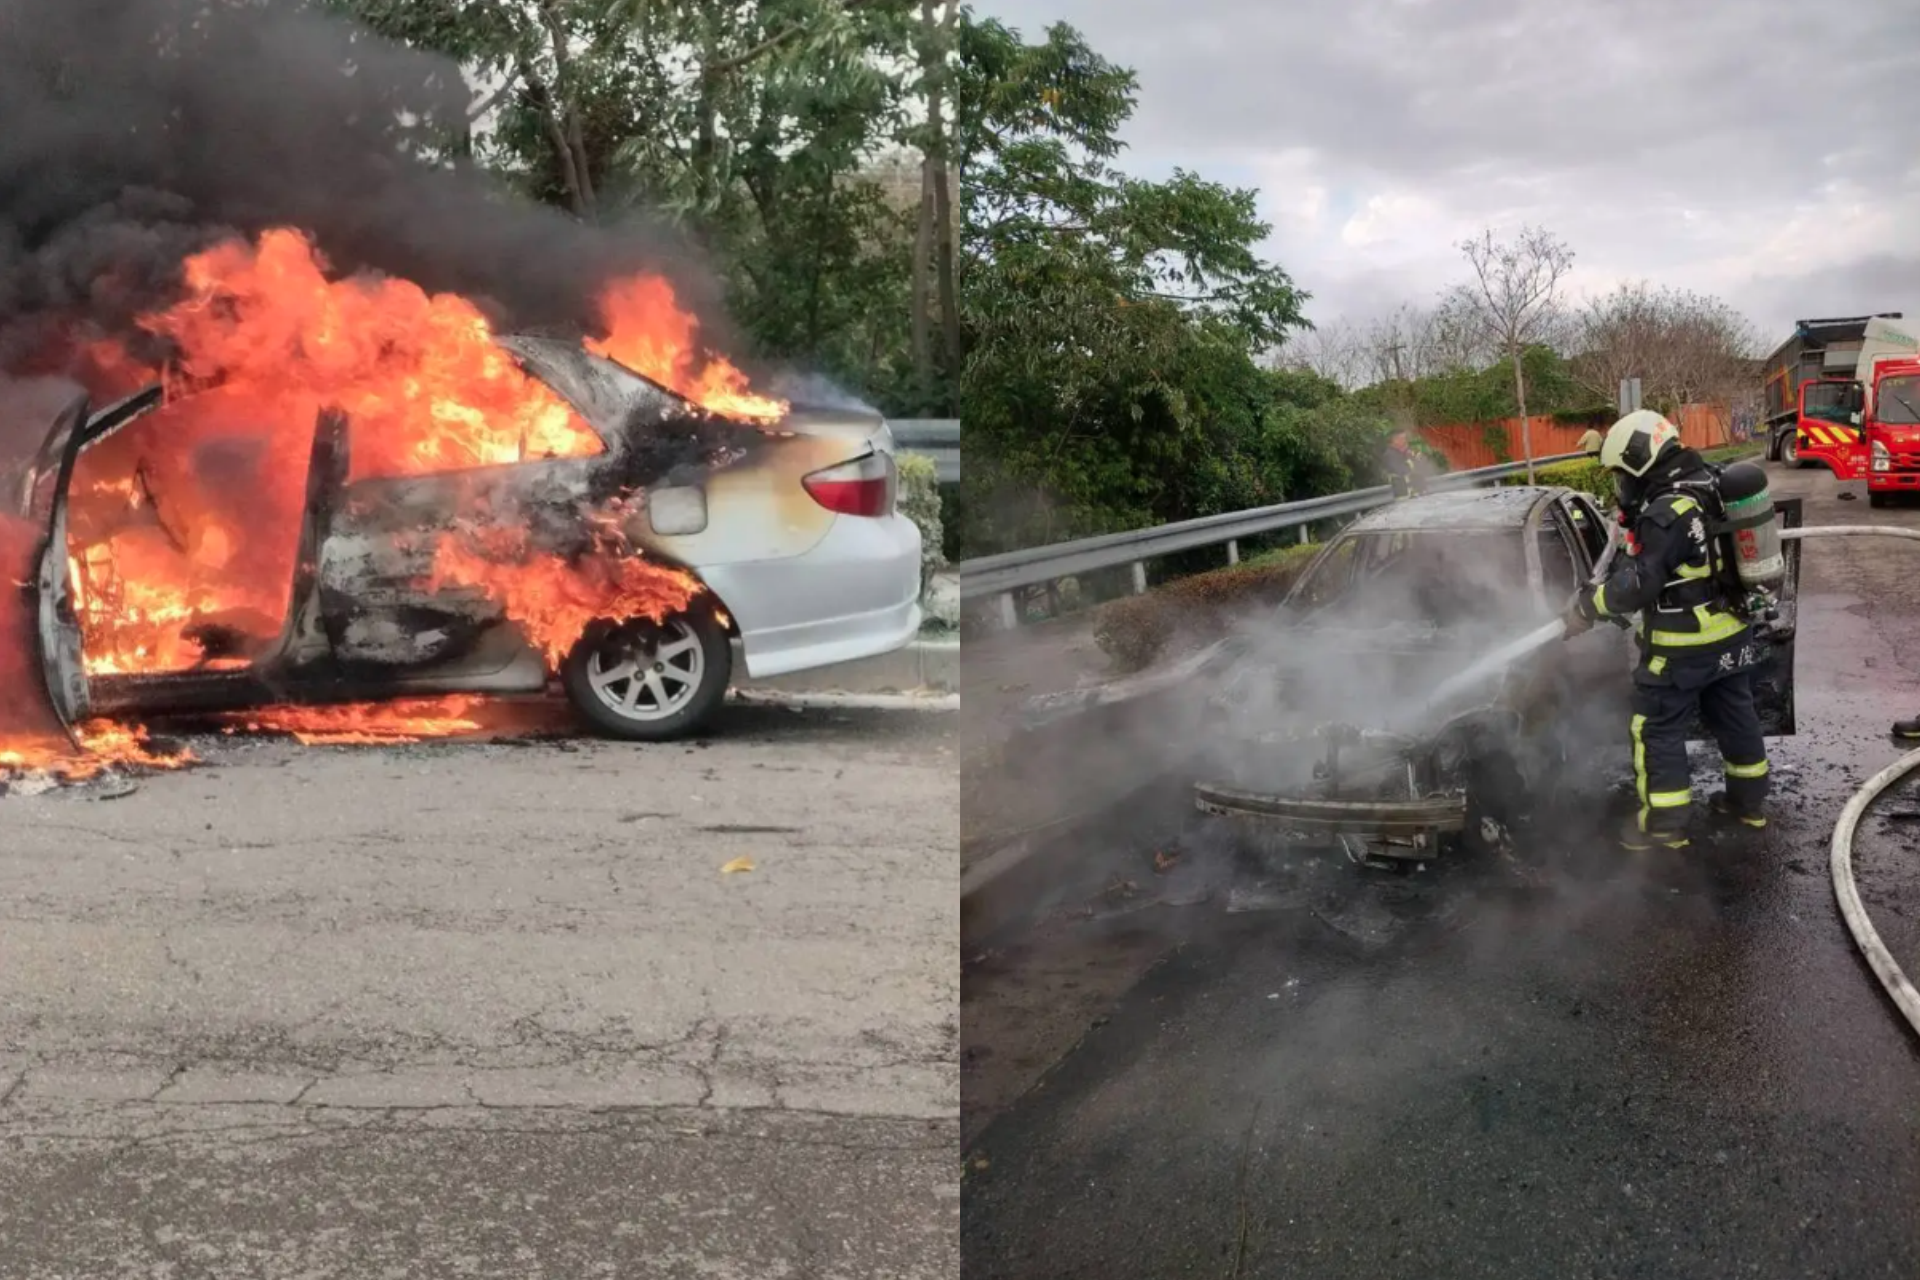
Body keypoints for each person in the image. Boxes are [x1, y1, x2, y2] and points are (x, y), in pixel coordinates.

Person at [1560, 409, 1769, 851]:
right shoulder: (1709, 481)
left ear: (1639, 459)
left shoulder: (1667, 509)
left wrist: (1588, 605)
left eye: (1622, 473)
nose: (1622, 484)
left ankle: (1663, 826)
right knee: (1736, 718)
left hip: (1682, 646)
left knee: (1656, 730)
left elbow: (1638, 584)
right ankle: (1748, 804)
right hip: (1731, 633)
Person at [1382, 430, 1422, 499]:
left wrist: (1415, 458)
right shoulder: (1389, 455)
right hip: (1401, 496)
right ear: (1395, 440)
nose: (1406, 441)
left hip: (1412, 494)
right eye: (1403, 438)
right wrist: (1410, 459)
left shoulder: (1403, 453)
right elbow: (1402, 471)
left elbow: (1421, 469)